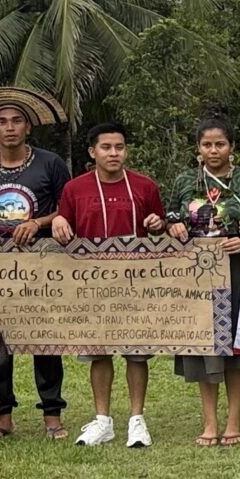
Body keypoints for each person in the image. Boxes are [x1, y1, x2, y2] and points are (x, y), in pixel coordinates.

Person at [51, 120, 165, 448]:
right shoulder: (75, 188)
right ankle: (103, 420)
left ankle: (137, 419)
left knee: (136, 353)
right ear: (92, 152)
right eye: (106, 147)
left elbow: (159, 228)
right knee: (98, 352)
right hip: (91, 283)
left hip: (135, 282)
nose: (113, 153)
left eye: (119, 147)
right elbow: (65, 222)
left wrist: (158, 224)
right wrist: (58, 219)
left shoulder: (145, 186)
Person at [0, 97, 72, 438]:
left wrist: (38, 222)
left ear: (28, 127)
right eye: (2, 122)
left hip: (41, 264)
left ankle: (52, 416)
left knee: (45, 337)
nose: (10, 128)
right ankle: (1, 417)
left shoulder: (50, 163)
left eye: (16, 121)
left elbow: (68, 208)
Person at [167, 116, 240, 447]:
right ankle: (209, 422)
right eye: (207, 145)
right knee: (203, 346)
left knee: (234, 348)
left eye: (220, 144)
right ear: (198, 148)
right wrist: (175, 228)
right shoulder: (186, 181)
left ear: (232, 147)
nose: (214, 150)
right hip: (197, 275)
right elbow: (171, 219)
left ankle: (233, 421)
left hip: (237, 270)